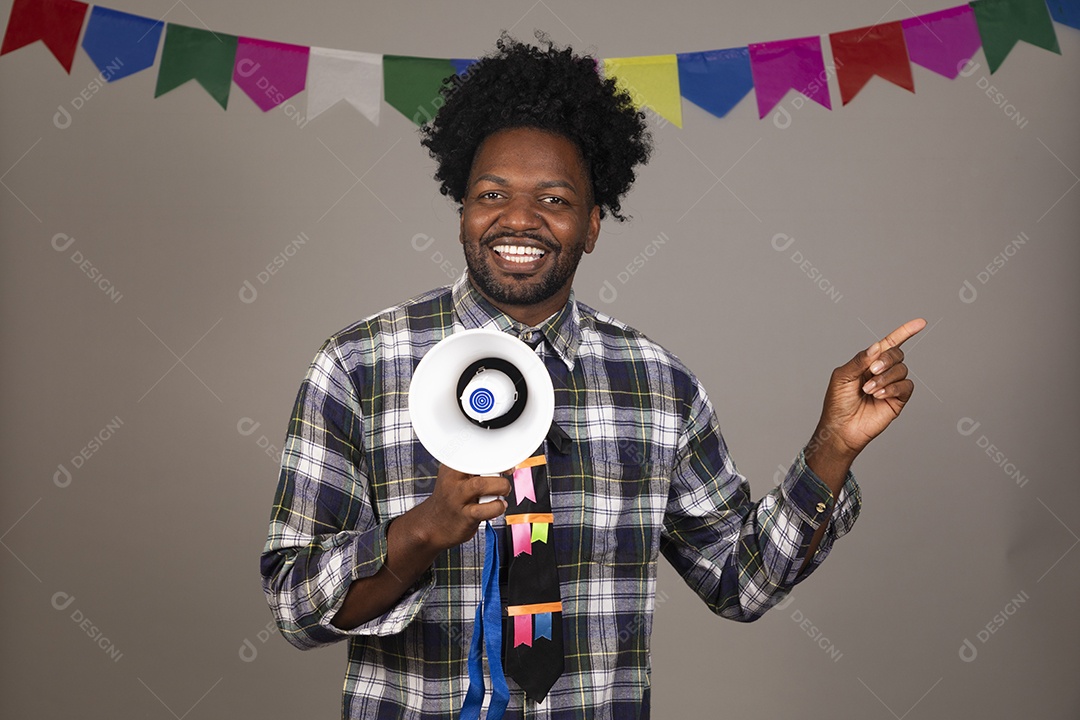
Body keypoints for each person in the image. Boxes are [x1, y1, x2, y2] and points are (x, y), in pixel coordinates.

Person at [260, 36, 924, 719]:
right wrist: (422, 531)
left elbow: (740, 582)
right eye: (492, 194)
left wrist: (832, 449)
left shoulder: (658, 386)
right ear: (462, 212)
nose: (519, 219)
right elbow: (293, 606)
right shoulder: (359, 365)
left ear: (593, 224)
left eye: (553, 199)